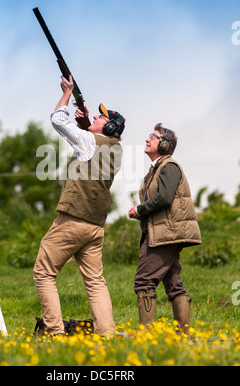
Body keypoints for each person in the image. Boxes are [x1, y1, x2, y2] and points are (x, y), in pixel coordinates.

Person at [33, 75, 125, 336]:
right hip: (95, 227)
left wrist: (66, 92)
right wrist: (86, 124)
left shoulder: (90, 142)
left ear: (108, 129)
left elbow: (57, 120)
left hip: (73, 220)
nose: (96, 117)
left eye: (101, 118)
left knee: (43, 272)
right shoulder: (116, 149)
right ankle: (107, 334)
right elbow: (89, 142)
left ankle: (54, 332)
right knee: (95, 281)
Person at [128, 123, 201, 334]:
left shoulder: (169, 166)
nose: (147, 139)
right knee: (173, 283)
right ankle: (182, 336)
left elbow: (165, 198)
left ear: (165, 144)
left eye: (153, 136)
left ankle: (147, 336)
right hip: (163, 232)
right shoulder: (159, 168)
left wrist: (140, 209)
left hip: (166, 234)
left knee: (143, 281)